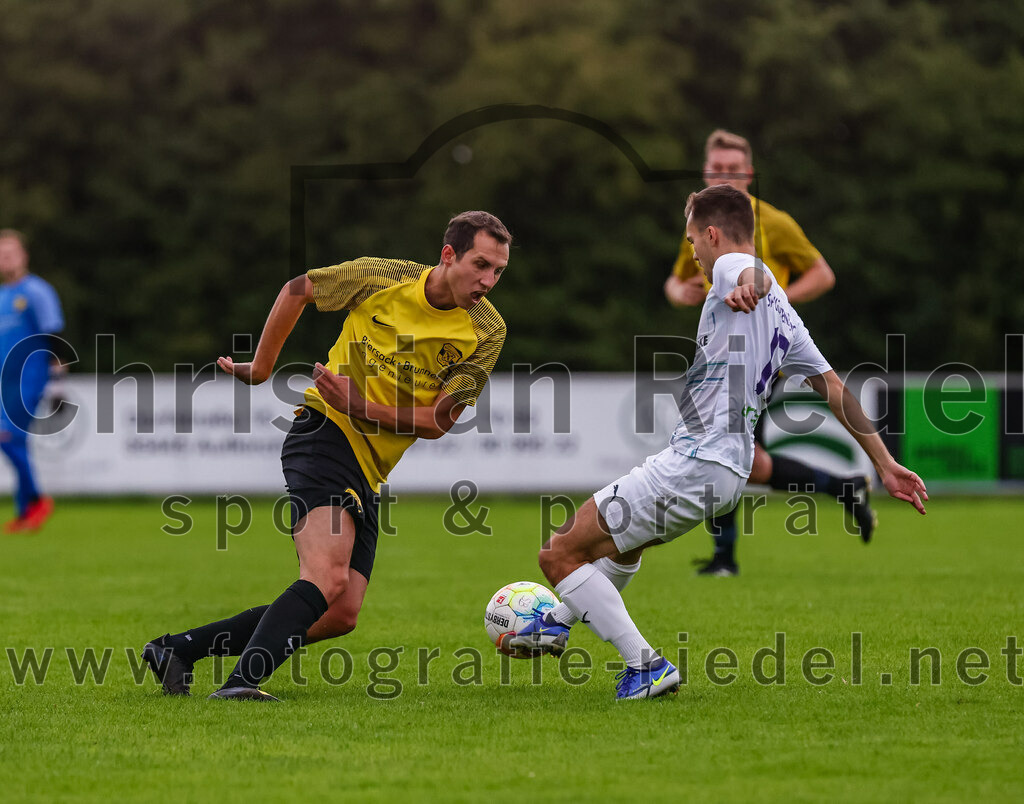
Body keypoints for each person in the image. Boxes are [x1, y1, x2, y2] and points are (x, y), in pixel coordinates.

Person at [511, 185, 927, 700]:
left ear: (712, 233)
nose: (693, 255)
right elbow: (836, 388)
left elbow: (751, 270)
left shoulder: (735, 270)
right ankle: (555, 621)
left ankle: (645, 666)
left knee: (557, 555)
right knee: (626, 546)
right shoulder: (786, 318)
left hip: (697, 460)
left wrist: (753, 279)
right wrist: (884, 463)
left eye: (692, 242)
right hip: (728, 473)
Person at [143, 211, 511, 700]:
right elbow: (299, 288)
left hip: (368, 467)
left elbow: (438, 422)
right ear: (448, 255)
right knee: (326, 576)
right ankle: (240, 686)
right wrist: (261, 367)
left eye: (498, 271)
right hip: (323, 432)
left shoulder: (487, 330)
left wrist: (358, 403)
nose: (487, 281)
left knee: (340, 613)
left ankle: (179, 650)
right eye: (480, 264)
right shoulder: (385, 277)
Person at [665, 129, 866, 577]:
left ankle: (724, 557)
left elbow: (821, 274)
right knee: (746, 458)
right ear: (706, 172)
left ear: (750, 174)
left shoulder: (773, 222)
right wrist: (681, 292)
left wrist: (772, 301)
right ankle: (842, 488)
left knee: (723, 445)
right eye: (717, 169)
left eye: (733, 169)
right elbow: (677, 281)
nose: (726, 176)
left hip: (758, 355)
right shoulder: (701, 226)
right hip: (719, 349)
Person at [0, 230, 64, 533]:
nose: (5, 259)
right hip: (5, 382)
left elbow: (54, 332)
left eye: (10, 253)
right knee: (16, 442)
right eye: (1, 255)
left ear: (23, 256)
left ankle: (37, 499)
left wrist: (57, 376)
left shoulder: (37, 291)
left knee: (6, 436)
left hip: (30, 378)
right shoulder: (2, 296)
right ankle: (26, 513)